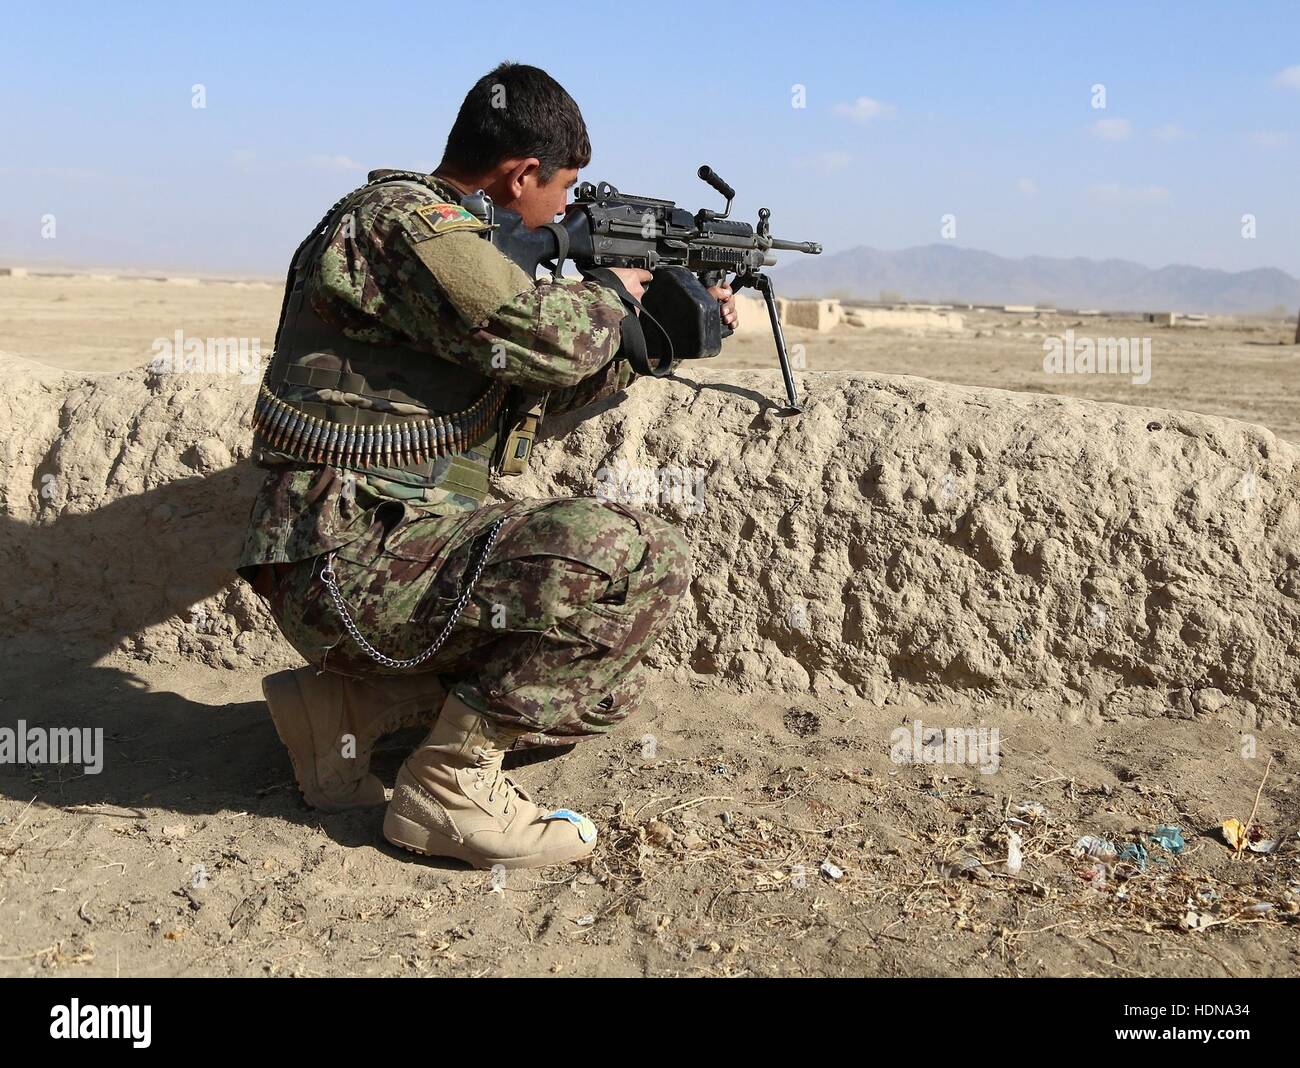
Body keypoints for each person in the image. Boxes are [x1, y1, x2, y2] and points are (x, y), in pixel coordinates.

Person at [236, 61, 737, 870]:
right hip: (348, 560)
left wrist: (661, 339)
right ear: (522, 173)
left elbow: (519, 406)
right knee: (641, 558)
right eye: (564, 192)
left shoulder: (442, 251)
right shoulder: (402, 223)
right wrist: (613, 293)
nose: (566, 212)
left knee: (600, 688)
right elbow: (547, 333)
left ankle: (346, 712)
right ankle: (449, 790)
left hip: (376, 558)